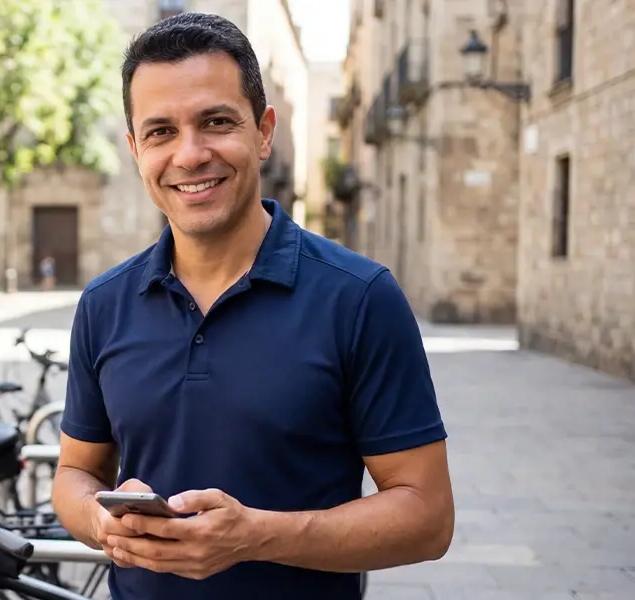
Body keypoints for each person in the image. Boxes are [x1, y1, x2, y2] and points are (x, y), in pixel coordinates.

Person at [50, 12, 454, 600]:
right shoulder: (104, 303)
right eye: (161, 132)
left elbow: (427, 518)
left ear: (263, 131)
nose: (189, 155)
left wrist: (254, 536)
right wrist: (100, 522)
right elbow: (75, 473)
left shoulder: (360, 298)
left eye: (216, 122)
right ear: (136, 149)